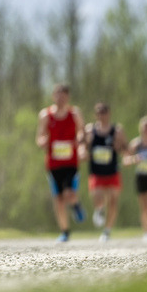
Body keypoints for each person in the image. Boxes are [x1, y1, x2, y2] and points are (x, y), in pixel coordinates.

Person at [35, 84, 86, 242]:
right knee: (58, 199)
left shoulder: (75, 113)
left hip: (71, 162)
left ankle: (76, 205)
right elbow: (39, 137)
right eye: (57, 95)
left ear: (68, 97)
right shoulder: (45, 115)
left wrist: (81, 144)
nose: (60, 99)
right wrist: (42, 141)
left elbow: (82, 133)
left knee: (68, 194)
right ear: (53, 96)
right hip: (53, 164)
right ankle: (65, 231)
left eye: (63, 96)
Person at [84, 102, 127, 242]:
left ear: (109, 114)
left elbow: (125, 149)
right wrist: (83, 151)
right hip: (96, 171)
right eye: (99, 112)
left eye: (104, 112)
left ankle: (107, 230)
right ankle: (99, 209)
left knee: (113, 201)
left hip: (112, 171)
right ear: (95, 115)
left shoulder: (117, 130)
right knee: (97, 195)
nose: (101, 115)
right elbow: (81, 146)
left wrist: (120, 147)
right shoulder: (90, 130)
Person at [123, 115, 147, 240]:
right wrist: (135, 159)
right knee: (144, 206)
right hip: (141, 176)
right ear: (140, 129)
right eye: (144, 127)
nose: (146, 130)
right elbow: (125, 161)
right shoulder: (136, 144)